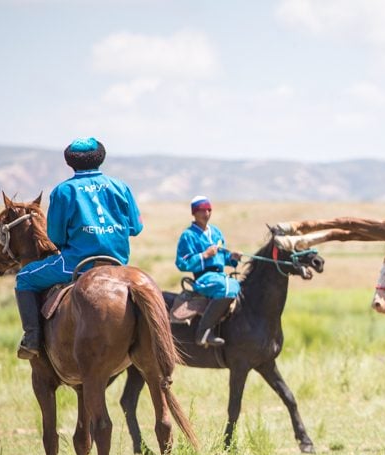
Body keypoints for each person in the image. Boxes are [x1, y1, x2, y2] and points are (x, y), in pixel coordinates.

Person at [14, 137, 144, 359]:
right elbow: (136, 228)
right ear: (100, 158)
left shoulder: (63, 191)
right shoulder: (121, 186)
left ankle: (32, 339)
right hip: (117, 263)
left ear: (70, 162)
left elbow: (55, 236)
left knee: (25, 277)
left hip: (75, 264)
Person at [176, 196, 242, 347]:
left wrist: (233, 257)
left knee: (237, 286)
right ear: (194, 213)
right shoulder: (188, 235)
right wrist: (204, 255)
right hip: (203, 277)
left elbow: (224, 257)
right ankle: (203, 332)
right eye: (201, 210)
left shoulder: (216, 232)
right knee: (226, 288)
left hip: (220, 275)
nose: (206, 213)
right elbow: (182, 263)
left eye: (209, 210)